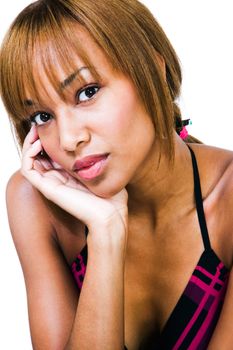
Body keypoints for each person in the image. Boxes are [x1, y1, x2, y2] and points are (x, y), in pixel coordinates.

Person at [0, 0, 232, 349]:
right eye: (42, 117)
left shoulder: (228, 200)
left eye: (87, 92)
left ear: (154, 68)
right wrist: (106, 233)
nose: (68, 139)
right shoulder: (37, 202)